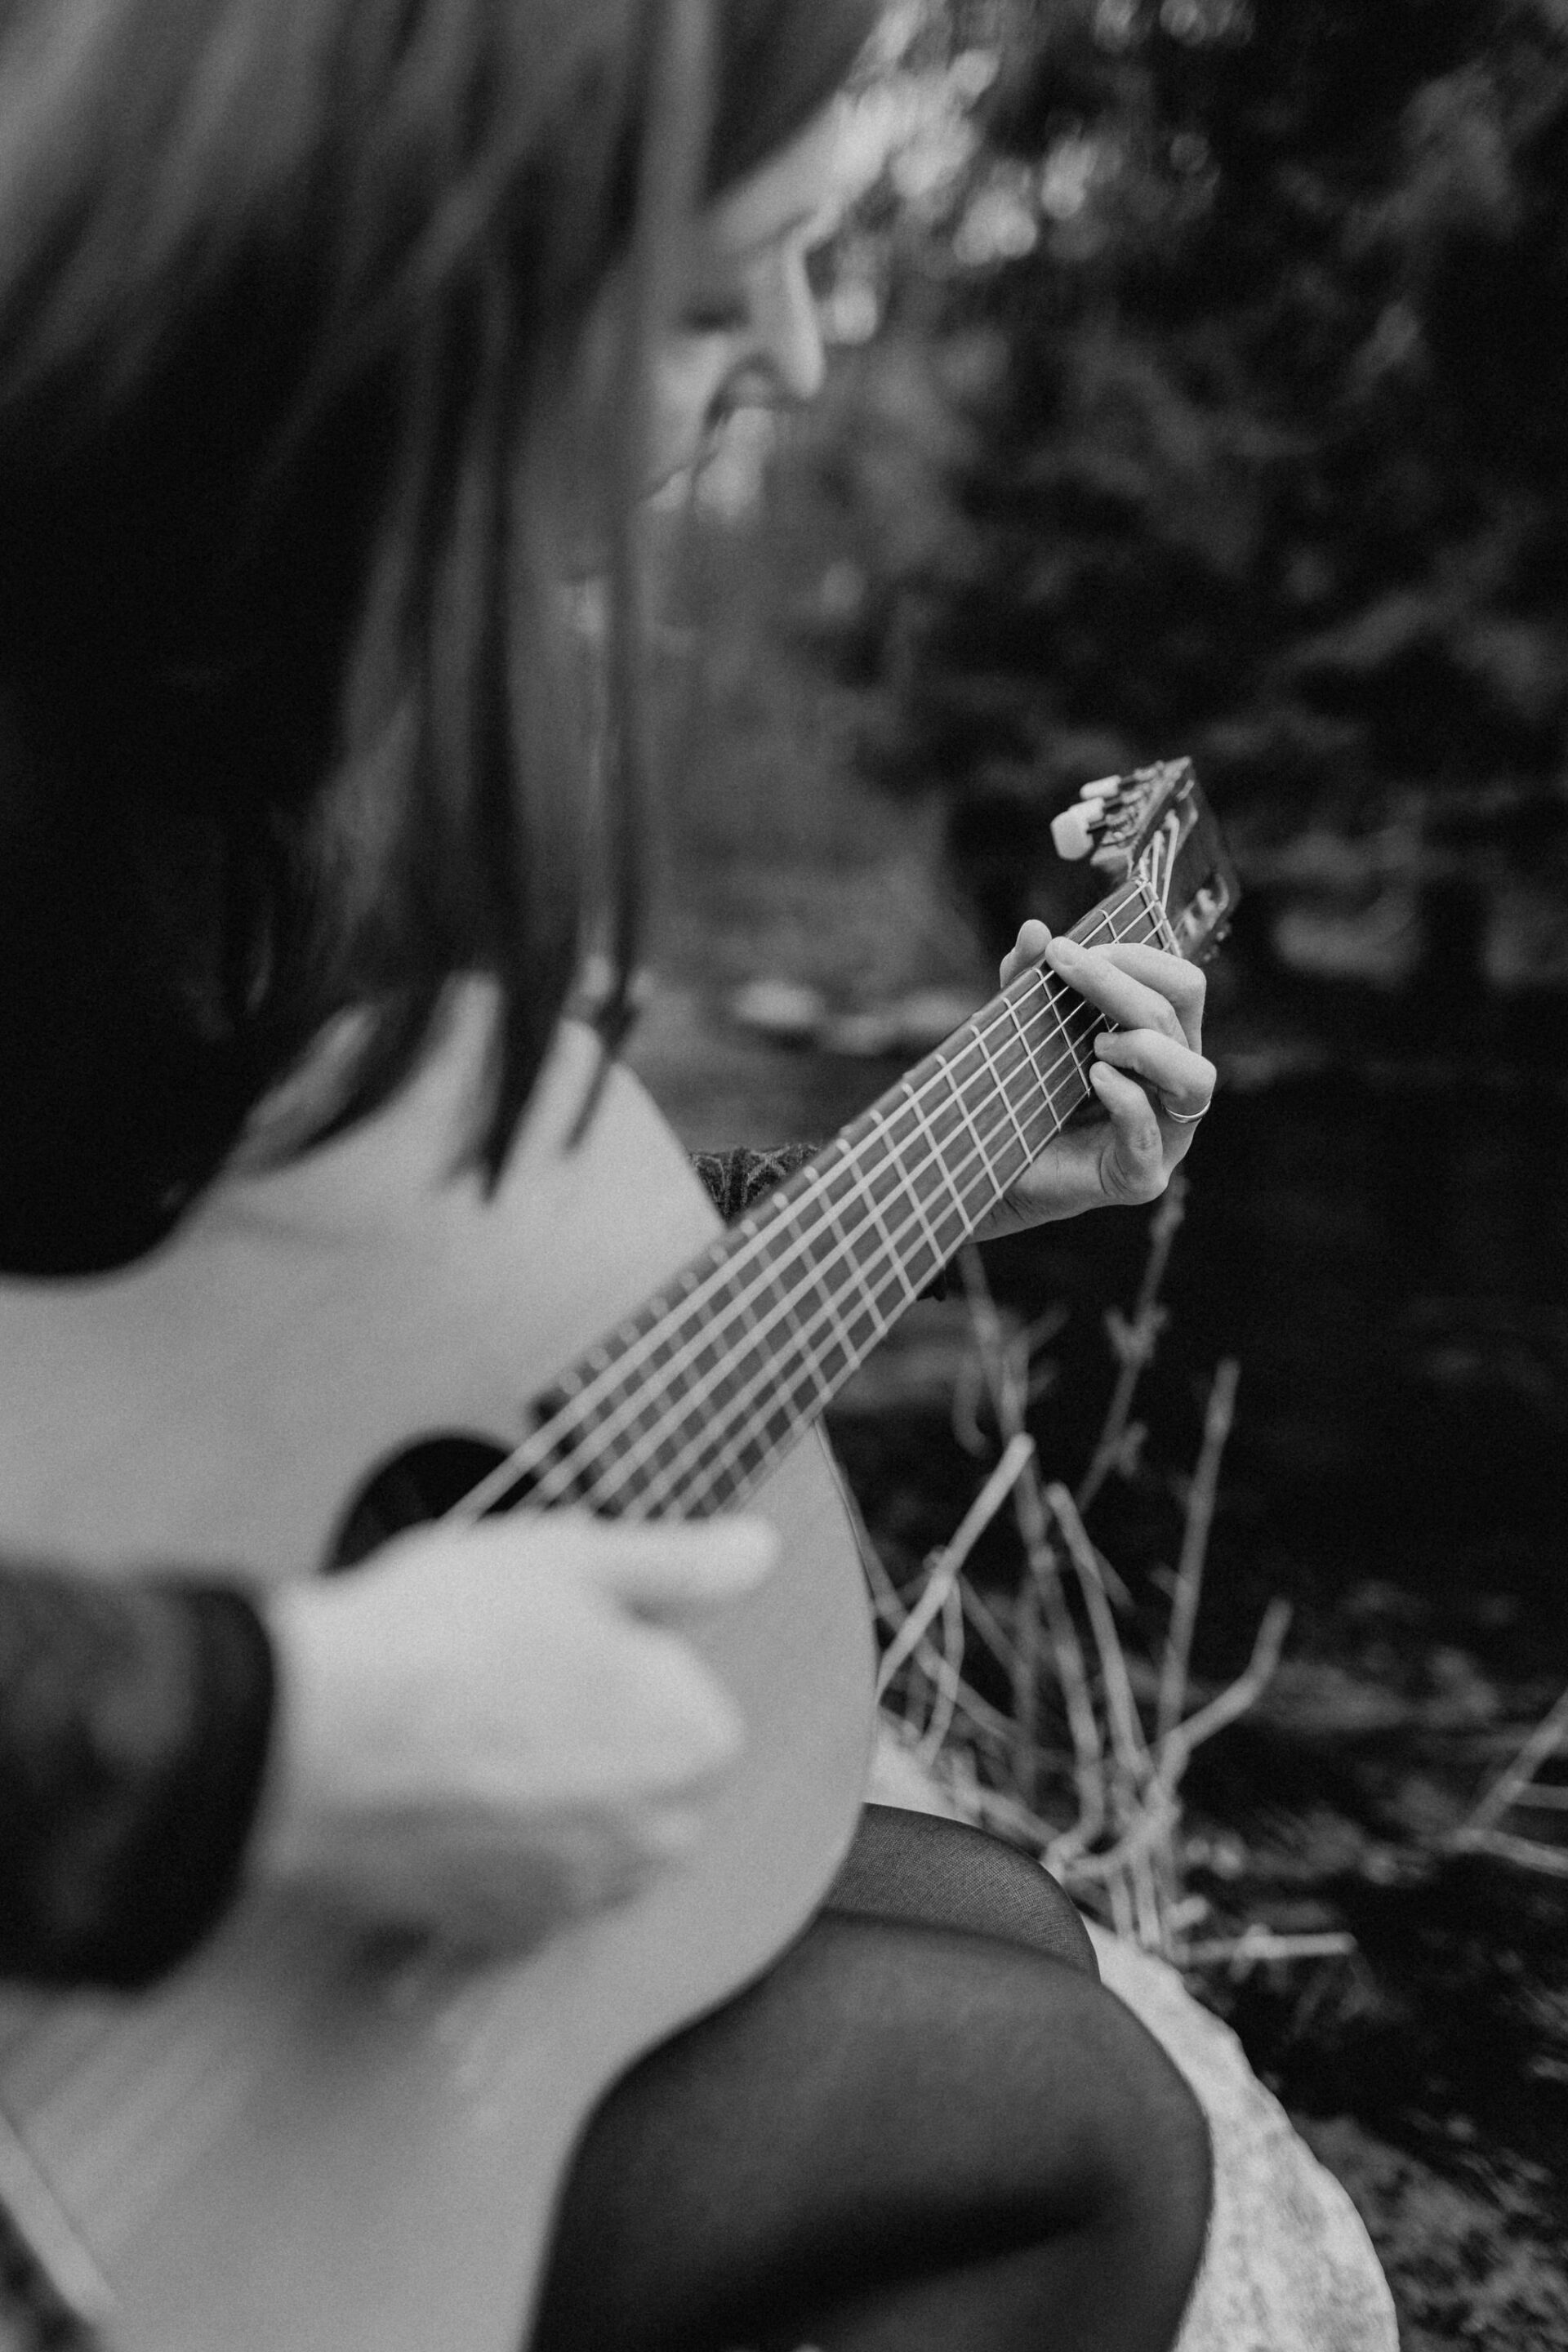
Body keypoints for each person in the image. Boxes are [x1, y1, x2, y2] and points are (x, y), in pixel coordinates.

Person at [0, 2, 1218, 2345]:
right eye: (696, 300)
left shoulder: (264, 688)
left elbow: (364, 1329)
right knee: (1075, 2135)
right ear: (413, 270)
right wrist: (285, 1738)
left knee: (1004, 1928)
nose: (783, 360)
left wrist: (932, 1188)